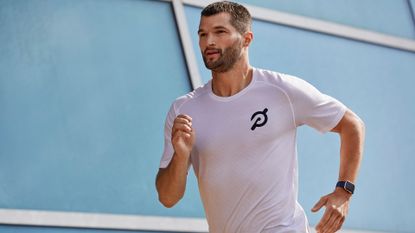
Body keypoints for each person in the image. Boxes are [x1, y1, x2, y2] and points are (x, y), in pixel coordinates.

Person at [156, 1, 365, 233]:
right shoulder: (184, 109)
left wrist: (343, 191)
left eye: (220, 32)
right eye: (203, 34)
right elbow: (167, 197)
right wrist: (180, 155)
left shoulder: (282, 91)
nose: (209, 42)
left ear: (247, 39)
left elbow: (352, 125)